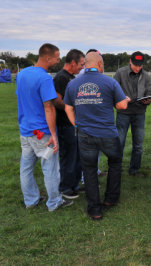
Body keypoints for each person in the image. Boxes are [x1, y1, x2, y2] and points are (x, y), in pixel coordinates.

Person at [64, 52, 130, 221]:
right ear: (100, 64)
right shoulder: (109, 82)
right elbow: (121, 105)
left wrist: (77, 125)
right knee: (115, 163)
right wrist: (126, 100)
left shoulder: (73, 84)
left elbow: (68, 108)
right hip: (108, 133)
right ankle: (111, 199)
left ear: (85, 64)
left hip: (85, 135)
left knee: (90, 170)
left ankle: (95, 210)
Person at [16, 43, 73, 211]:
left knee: (25, 168)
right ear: (48, 58)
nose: (58, 60)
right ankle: (54, 203)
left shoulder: (22, 74)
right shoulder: (45, 78)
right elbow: (49, 107)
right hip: (42, 132)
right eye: (57, 57)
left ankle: (31, 200)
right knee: (51, 169)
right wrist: (53, 135)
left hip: (25, 130)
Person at [53, 49, 85, 199]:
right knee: (68, 157)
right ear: (73, 63)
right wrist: (72, 106)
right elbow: (57, 101)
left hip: (74, 123)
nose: (82, 67)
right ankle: (65, 188)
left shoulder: (72, 77)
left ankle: (74, 184)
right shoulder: (61, 77)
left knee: (77, 155)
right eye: (81, 64)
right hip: (65, 124)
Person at [114, 51, 151, 176]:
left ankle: (134, 170)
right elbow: (113, 91)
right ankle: (116, 170)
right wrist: (122, 98)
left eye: (140, 65)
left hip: (139, 113)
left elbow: (148, 92)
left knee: (138, 145)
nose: (138, 67)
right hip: (123, 113)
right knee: (119, 143)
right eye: (136, 64)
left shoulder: (146, 75)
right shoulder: (120, 73)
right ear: (130, 61)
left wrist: (147, 100)